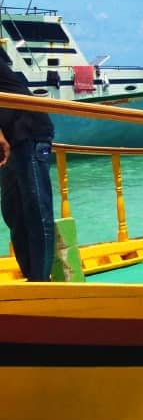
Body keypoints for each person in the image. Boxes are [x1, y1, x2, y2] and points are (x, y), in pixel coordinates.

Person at [0, 59, 56, 281]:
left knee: (36, 209)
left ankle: (41, 282)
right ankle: (32, 278)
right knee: (13, 212)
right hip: (10, 137)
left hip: (30, 130)